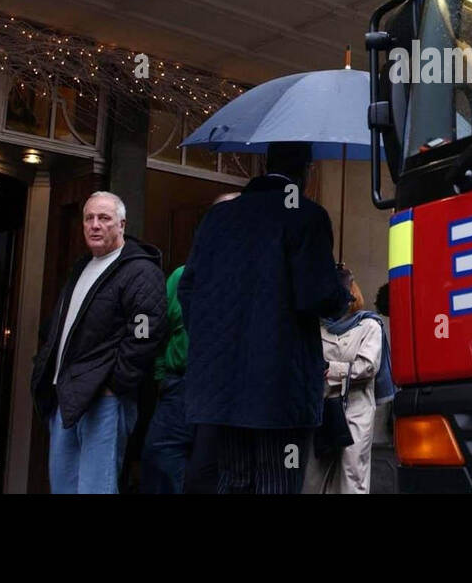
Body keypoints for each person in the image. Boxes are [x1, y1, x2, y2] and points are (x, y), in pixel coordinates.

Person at [181, 142, 348, 494]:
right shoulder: (305, 215)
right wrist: (340, 288)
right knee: (277, 481)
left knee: (233, 480)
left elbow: (189, 290)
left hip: (222, 388)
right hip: (280, 388)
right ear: (307, 171)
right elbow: (316, 296)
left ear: (262, 163)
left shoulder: (218, 217)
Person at [30, 191, 166, 494]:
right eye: (89, 218)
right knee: (64, 487)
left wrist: (113, 385)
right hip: (65, 395)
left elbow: (146, 333)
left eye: (104, 218)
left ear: (121, 224)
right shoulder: (81, 267)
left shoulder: (141, 270)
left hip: (104, 400)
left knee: (96, 488)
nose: (95, 225)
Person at [140, 189, 239, 494]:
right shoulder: (182, 275)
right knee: (158, 455)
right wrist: (162, 376)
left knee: (213, 468)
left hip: (227, 391)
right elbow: (159, 329)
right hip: (179, 386)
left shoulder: (250, 278)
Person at [304, 275, 393, 494]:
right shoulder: (317, 326)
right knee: (314, 477)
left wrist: (330, 368)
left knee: (351, 475)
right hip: (321, 409)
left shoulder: (369, 325)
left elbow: (368, 366)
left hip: (355, 409)